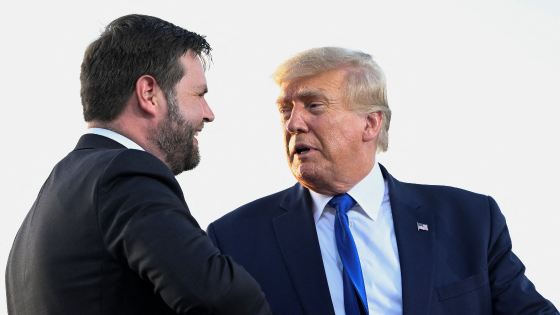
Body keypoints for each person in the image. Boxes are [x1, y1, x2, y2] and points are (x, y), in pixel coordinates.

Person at [207, 47, 558, 315]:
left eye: (314, 106)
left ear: (370, 124)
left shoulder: (470, 219)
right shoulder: (234, 239)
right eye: (286, 109)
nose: (293, 124)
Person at [5, 14, 271, 315]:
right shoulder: (124, 173)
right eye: (198, 95)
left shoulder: (52, 197)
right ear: (149, 94)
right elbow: (222, 298)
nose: (208, 114)